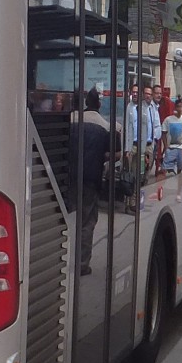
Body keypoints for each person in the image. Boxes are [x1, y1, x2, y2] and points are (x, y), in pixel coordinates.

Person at [69, 89, 113, 276]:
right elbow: (114, 154)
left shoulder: (71, 122)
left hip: (69, 178)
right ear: (99, 104)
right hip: (91, 181)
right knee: (87, 222)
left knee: (69, 218)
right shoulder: (105, 126)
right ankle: (81, 264)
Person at [161, 99, 182, 174]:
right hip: (170, 148)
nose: (180, 109)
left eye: (181, 107)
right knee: (165, 168)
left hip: (180, 148)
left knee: (180, 167)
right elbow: (163, 133)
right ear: (175, 108)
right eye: (178, 107)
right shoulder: (168, 119)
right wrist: (166, 147)